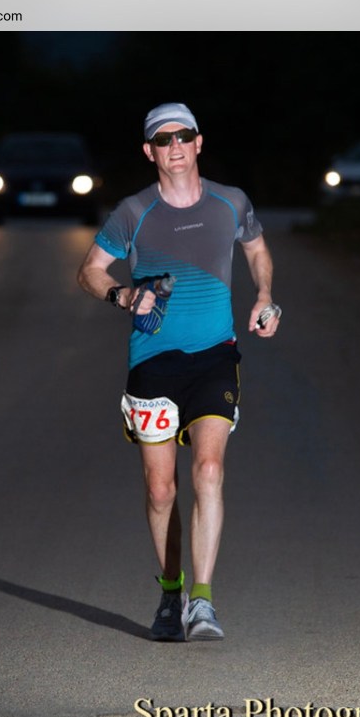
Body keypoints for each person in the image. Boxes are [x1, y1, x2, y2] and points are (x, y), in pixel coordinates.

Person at [76, 102, 280, 641]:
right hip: (153, 362)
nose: (175, 147)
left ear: (198, 142)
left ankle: (203, 602)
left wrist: (264, 294)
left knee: (208, 470)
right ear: (150, 151)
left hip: (216, 355)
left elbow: (257, 249)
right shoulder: (133, 212)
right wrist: (122, 295)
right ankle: (172, 594)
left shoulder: (230, 202)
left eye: (183, 136)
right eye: (163, 140)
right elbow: (89, 271)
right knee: (161, 489)